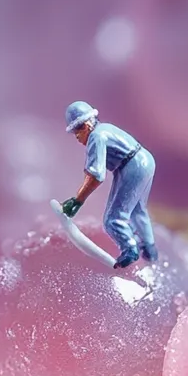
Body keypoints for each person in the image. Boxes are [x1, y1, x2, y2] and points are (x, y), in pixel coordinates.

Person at [60, 100, 158, 269]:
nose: (77, 137)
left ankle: (130, 250)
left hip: (132, 167)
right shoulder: (105, 128)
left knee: (112, 219)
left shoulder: (96, 137)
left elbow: (96, 176)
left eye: (77, 131)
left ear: (86, 126)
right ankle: (150, 249)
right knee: (138, 210)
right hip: (146, 159)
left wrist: (78, 200)